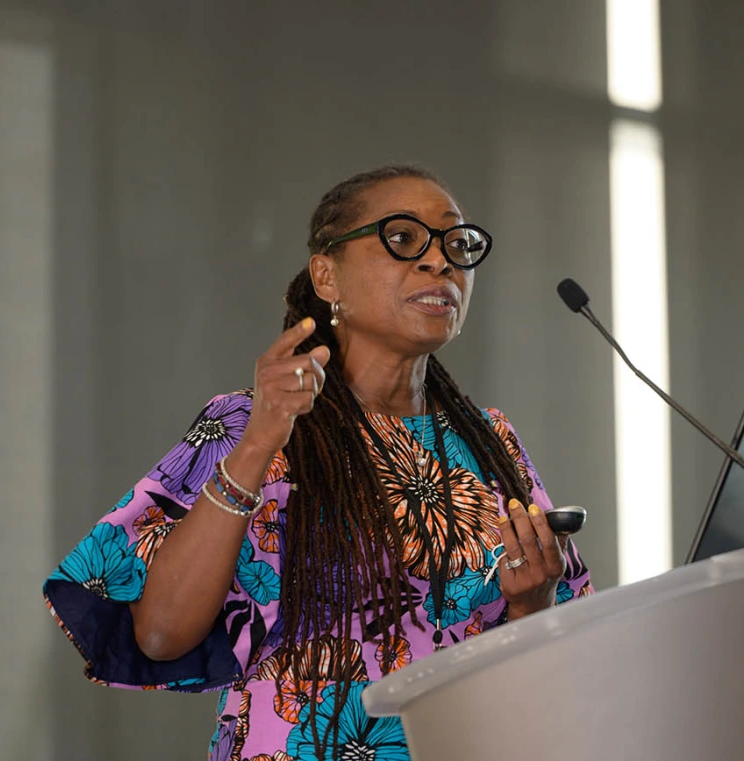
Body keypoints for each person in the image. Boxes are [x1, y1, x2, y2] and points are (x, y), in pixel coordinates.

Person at [44, 165, 593, 761]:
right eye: (403, 239)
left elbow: (551, 680)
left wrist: (531, 604)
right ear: (327, 276)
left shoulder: (492, 443)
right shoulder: (248, 425)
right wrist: (258, 445)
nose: (440, 263)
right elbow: (158, 636)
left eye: (457, 245)